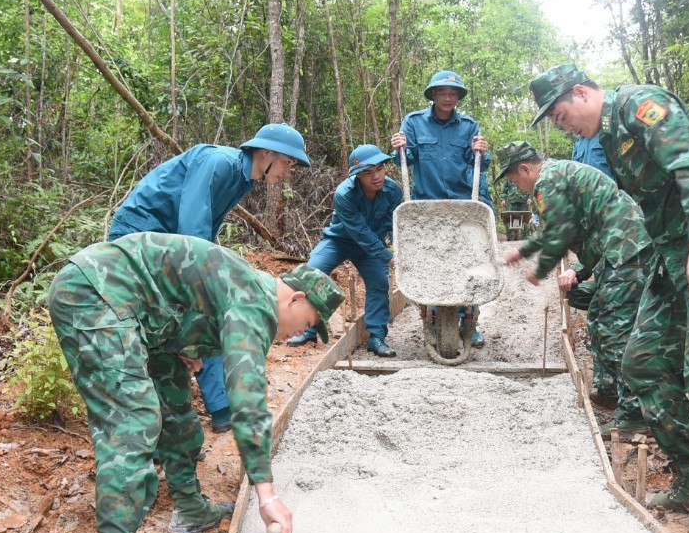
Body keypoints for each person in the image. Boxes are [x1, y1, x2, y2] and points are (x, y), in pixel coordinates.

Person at [529, 63, 689, 533]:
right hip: (670, 255)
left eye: (561, 112)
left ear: (581, 92)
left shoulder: (639, 106)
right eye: (554, 120)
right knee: (641, 364)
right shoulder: (609, 139)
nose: (561, 124)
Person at [48, 233, 344, 533]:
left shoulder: (244, 287)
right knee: (132, 424)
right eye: (306, 324)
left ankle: (189, 507)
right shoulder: (254, 304)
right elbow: (248, 403)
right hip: (96, 295)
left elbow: (180, 294)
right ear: (294, 299)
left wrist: (182, 339)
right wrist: (266, 494)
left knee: (176, 410)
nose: (297, 334)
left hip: (139, 314)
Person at [108, 123, 311, 433]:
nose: (288, 172)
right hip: (139, 236)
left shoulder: (243, 179)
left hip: (169, 241)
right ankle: (160, 428)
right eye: (287, 162)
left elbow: (205, 230)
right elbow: (192, 228)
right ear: (266, 152)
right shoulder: (219, 162)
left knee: (204, 311)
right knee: (172, 319)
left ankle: (219, 408)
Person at [497, 141, 652, 436]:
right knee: (601, 319)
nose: (517, 187)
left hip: (626, 249)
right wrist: (522, 252)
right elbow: (559, 227)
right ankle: (611, 390)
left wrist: (539, 270)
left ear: (525, 168)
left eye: (514, 179)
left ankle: (634, 416)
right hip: (620, 250)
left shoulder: (547, 181)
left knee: (613, 328)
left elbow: (561, 232)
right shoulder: (559, 174)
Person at [390, 70, 490, 346]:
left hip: (461, 209)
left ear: (458, 97)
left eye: (453, 93)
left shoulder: (469, 125)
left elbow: (479, 162)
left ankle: (469, 317)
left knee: (467, 264)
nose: (448, 97)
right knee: (430, 265)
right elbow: (405, 159)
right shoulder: (413, 122)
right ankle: (432, 318)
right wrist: (399, 147)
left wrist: (482, 150)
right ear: (433, 95)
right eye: (442, 92)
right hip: (426, 209)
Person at [287, 144, 402, 356]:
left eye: (379, 169)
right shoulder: (344, 194)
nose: (376, 176)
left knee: (379, 281)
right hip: (339, 240)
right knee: (313, 270)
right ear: (357, 175)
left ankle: (376, 337)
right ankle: (309, 327)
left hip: (371, 246)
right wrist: (386, 255)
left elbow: (394, 224)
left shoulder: (393, 190)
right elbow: (359, 232)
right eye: (367, 173)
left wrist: (400, 251)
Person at [564, 134, 618, 410]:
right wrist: (577, 270)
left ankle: (626, 402)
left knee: (606, 317)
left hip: (626, 238)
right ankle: (609, 391)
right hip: (606, 243)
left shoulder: (613, 133)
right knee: (582, 299)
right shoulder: (579, 144)